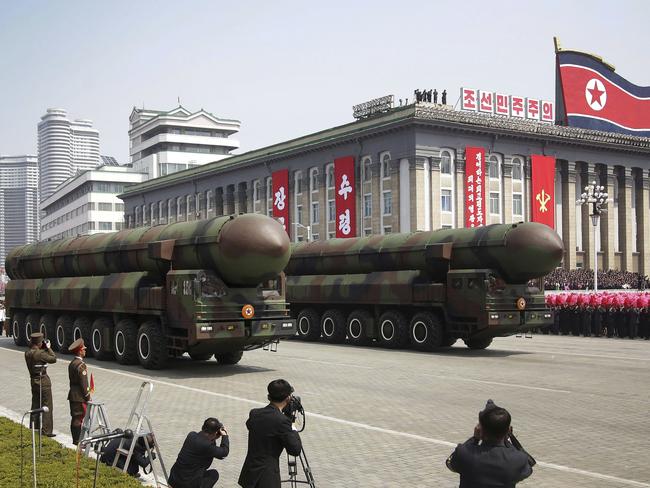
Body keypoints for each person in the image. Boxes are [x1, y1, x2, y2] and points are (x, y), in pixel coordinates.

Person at [447, 401, 533, 488]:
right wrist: (509, 439)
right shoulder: (517, 459)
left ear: (480, 430)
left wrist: (475, 439)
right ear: (508, 430)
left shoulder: (464, 453)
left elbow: (450, 464)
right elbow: (529, 465)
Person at [238, 379, 303, 488]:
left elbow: (253, 426)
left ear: (269, 396)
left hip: (249, 474)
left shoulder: (254, 413)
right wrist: (291, 424)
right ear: (288, 398)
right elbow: (295, 450)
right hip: (266, 478)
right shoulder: (282, 421)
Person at [168, 418, 229, 488]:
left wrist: (214, 437)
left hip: (174, 478)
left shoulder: (191, 435)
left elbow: (207, 446)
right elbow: (224, 452)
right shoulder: (207, 446)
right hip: (186, 484)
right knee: (214, 474)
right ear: (215, 433)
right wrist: (225, 435)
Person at [24, 332, 57, 437]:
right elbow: (53, 359)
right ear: (39, 342)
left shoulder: (27, 353)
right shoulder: (40, 354)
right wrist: (48, 348)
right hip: (43, 381)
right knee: (47, 406)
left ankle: (34, 427)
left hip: (33, 381)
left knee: (35, 404)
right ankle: (47, 430)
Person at [68, 338, 91, 445]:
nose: (85, 351)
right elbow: (83, 383)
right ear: (80, 351)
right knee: (80, 419)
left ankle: (75, 439)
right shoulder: (81, 365)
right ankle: (78, 441)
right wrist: (87, 396)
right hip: (79, 396)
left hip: (72, 394)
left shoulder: (72, 363)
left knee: (75, 417)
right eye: (84, 349)